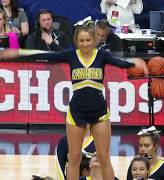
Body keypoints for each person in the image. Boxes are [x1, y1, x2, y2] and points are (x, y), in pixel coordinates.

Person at [0, 20, 148, 180]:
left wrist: (134, 62)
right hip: (76, 113)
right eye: (82, 41)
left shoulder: (102, 55)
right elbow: (47, 55)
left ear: (95, 40)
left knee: (104, 158)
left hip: (99, 113)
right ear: (77, 41)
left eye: (88, 40)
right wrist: (19, 53)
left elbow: (120, 63)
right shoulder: (71, 55)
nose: (85, 44)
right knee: (74, 158)